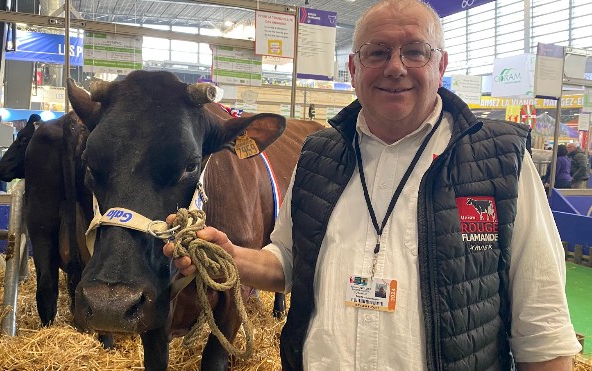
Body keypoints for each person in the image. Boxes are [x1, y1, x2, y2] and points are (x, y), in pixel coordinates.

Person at [165, 0, 581, 369]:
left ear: (441, 66)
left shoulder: (499, 160)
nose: (395, 66)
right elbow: (288, 260)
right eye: (377, 52)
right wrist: (232, 256)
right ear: (353, 68)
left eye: (415, 51)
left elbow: (542, 326)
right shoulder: (319, 155)